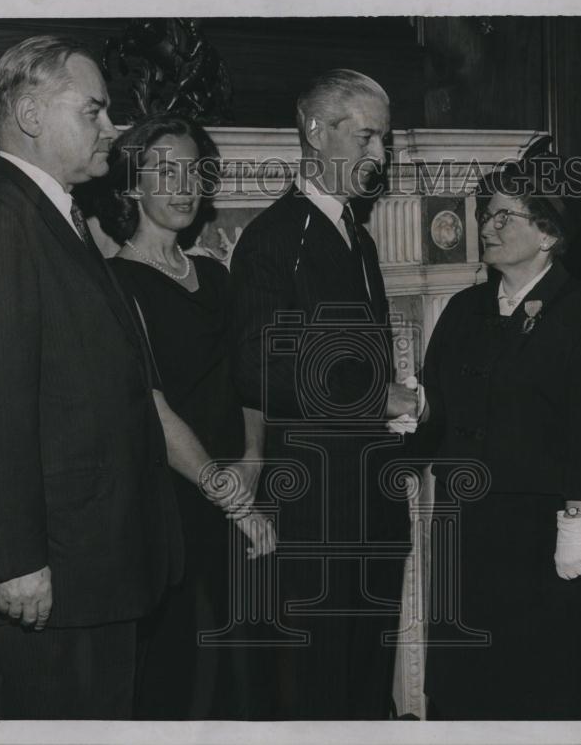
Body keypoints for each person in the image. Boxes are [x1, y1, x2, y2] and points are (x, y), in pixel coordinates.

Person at [0, 36, 182, 719]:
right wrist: (12, 560)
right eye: (94, 111)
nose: (112, 128)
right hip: (50, 581)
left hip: (93, 570)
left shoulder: (57, 217)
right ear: (33, 115)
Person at [229, 69, 418, 719]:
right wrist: (378, 398)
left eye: (385, 141)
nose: (380, 155)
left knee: (368, 687)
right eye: (366, 136)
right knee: (316, 694)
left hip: (371, 509)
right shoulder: (274, 239)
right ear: (314, 132)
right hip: (316, 516)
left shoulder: (357, 239)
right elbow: (262, 366)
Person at [412, 160, 581, 720]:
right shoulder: (463, 309)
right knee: (465, 681)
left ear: (549, 234)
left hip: (539, 536)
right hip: (465, 530)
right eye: (487, 214)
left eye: (505, 216)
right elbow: (434, 411)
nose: (488, 226)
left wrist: (576, 532)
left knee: (536, 681)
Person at [93, 112, 275, 719]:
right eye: (164, 170)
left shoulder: (218, 279)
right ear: (131, 185)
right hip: (177, 510)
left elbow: (250, 382)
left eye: (193, 170)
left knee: (249, 676)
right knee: (190, 681)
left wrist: (252, 461)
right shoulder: (116, 284)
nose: (182, 184)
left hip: (239, 490)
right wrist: (237, 500)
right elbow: (154, 409)